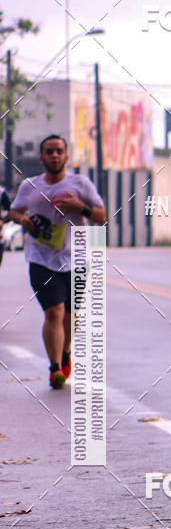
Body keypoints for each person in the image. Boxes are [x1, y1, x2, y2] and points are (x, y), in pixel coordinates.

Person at [6, 134, 106, 388]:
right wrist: (23, 221)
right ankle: (55, 368)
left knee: (70, 315)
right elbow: (14, 211)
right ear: (41, 158)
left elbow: (101, 217)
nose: (54, 155)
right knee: (53, 312)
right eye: (49, 151)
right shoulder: (30, 186)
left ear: (66, 157)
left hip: (77, 258)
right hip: (41, 258)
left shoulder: (80, 184)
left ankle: (65, 353)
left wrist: (79, 206)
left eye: (59, 151)